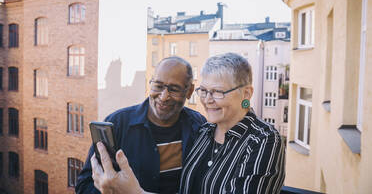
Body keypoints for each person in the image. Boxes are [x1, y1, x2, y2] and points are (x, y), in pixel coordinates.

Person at [89, 52, 285, 194]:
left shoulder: (263, 140)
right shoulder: (205, 131)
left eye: (217, 92)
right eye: (205, 91)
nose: (208, 100)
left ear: (247, 94)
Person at [75, 56, 206, 194]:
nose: (163, 96)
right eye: (158, 86)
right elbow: (84, 187)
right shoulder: (118, 124)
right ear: (150, 83)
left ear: (190, 91)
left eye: (174, 89)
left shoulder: (199, 127)